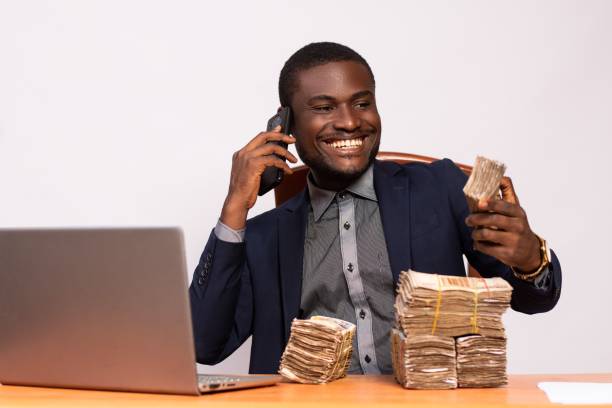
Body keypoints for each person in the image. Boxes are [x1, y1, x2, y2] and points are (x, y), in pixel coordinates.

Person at [189, 42, 562, 375]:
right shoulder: (262, 236)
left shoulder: (443, 189)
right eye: (323, 107)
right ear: (285, 122)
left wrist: (530, 260)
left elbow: (536, 299)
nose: (350, 121)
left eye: (362, 103)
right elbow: (204, 346)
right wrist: (234, 208)